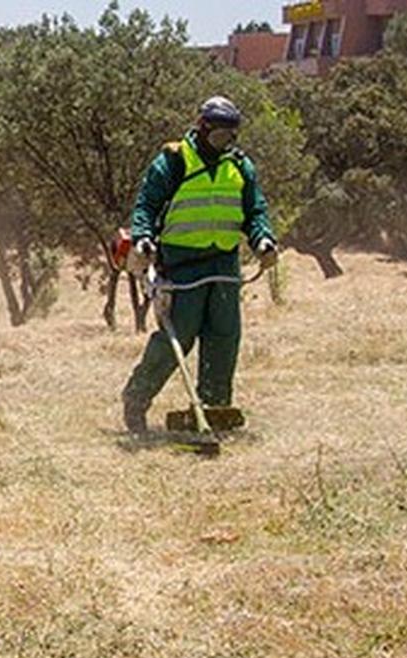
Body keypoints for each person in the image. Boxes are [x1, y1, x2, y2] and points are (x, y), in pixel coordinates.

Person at [121, 96, 279, 434]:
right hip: (181, 266)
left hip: (223, 264)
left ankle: (214, 409)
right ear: (202, 126)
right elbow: (146, 205)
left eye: (230, 135)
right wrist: (143, 236)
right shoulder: (175, 160)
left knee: (224, 338)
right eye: (218, 133)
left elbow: (255, 211)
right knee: (178, 337)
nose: (224, 140)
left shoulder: (240, 166)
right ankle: (136, 399)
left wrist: (263, 240)